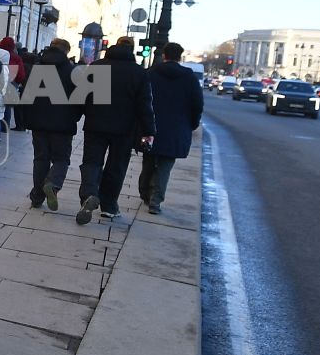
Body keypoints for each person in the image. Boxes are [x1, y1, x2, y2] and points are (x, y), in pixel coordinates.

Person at [76, 39, 154, 225]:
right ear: (132, 50)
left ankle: (89, 194)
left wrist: (77, 115)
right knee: (116, 166)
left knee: (91, 162)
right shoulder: (138, 73)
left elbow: (81, 96)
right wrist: (149, 131)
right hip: (124, 128)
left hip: (95, 124)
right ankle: (109, 206)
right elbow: (145, 105)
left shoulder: (96, 67)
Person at [140, 42, 203, 215]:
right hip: (177, 127)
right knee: (165, 165)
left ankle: (145, 193)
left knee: (148, 159)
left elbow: (142, 98)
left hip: (151, 124)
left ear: (164, 55)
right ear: (179, 57)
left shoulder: (151, 73)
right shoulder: (189, 78)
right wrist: (192, 123)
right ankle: (155, 201)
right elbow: (197, 104)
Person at [19, 38, 82, 210]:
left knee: (41, 159)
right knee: (61, 159)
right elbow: (80, 100)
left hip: (38, 123)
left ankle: (37, 197)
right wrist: (74, 117)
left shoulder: (36, 69)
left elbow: (25, 97)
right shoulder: (73, 71)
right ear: (66, 52)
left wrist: (29, 118)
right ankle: (53, 183)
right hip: (63, 124)